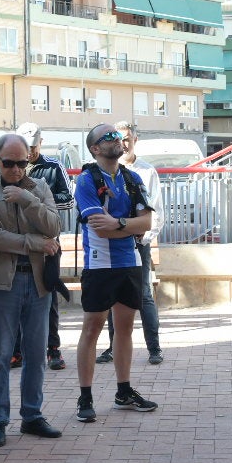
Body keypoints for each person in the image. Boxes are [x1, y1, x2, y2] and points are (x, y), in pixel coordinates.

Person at [0, 133, 64, 446]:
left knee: (37, 354)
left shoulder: (38, 188)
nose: (15, 169)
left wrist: (27, 199)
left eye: (22, 162)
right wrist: (34, 244)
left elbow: (54, 227)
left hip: (39, 282)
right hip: (1, 284)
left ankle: (32, 416)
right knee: (0, 355)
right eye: (9, 163)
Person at [73, 124, 158, 422]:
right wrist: (127, 225)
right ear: (95, 148)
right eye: (106, 137)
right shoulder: (86, 180)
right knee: (93, 328)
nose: (115, 139)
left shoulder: (132, 178)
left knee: (124, 328)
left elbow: (146, 223)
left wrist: (119, 224)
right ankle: (85, 397)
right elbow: (100, 226)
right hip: (100, 265)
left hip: (130, 262)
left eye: (116, 136)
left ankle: (124, 392)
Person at [97, 120, 164, 365]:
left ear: (135, 140)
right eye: (117, 138)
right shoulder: (102, 173)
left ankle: (154, 348)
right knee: (114, 295)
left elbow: (156, 212)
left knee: (144, 294)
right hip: (112, 245)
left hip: (138, 243)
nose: (122, 144)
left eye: (127, 138)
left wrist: (142, 237)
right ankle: (113, 347)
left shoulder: (146, 172)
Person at [14, 122, 71, 371]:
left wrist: (37, 201)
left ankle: (53, 349)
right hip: (16, 243)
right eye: (25, 148)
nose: (28, 154)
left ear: (41, 143)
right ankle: (16, 352)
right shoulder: (9, 166)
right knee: (13, 298)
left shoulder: (53, 167)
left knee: (49, 297)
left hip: (47, 241)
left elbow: (68, 199)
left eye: (33, 147)